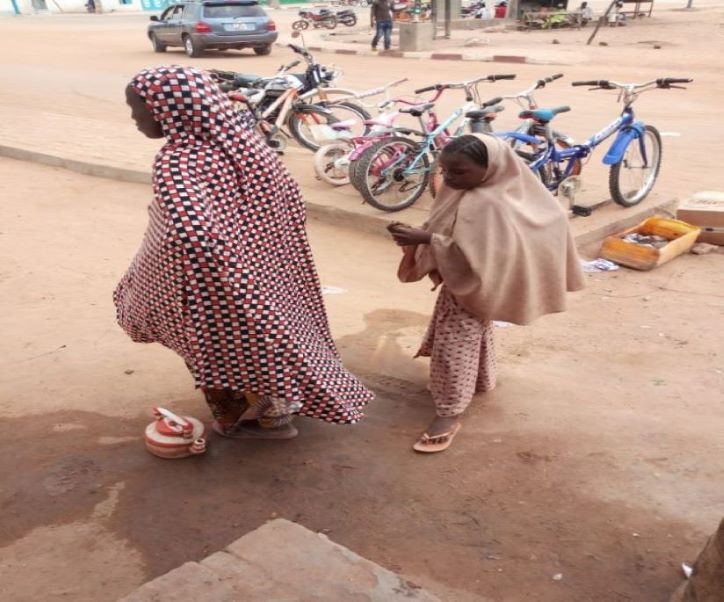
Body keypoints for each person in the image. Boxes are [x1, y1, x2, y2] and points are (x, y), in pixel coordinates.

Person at [116, 66, 373, 440]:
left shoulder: (178, 159)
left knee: (216, 348)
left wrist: (230, 281)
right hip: (262, 269)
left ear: (168, 109)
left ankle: (261, 421)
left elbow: (194, 233)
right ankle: (278, 408)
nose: (135, 119)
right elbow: (290, 201)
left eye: (138, 108)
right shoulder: (243, 141)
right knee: (266, 340)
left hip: (209, 280)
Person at [388, 135, 584, 453]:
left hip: (480, 282)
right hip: (466, 283)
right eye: (445, 171)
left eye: (460, 172)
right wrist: (424, 237)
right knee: (471, 334)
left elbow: (487, 252)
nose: (450, 179)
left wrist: (425, 238)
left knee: (453, 346)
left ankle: (448, 413)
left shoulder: (492, 202)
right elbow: (457, 234)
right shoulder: (467, 192)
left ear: (490, 168)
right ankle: (480, 381)